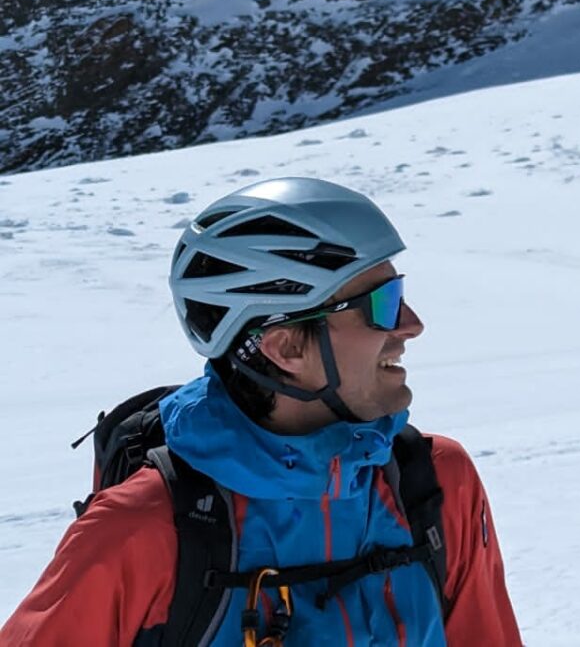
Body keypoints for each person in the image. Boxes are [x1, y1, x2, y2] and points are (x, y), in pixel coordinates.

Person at [1, 177, 524, 645]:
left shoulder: (433, 484)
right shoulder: (142, 528)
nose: (411, 325)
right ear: (286, 348)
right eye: (383, 304)